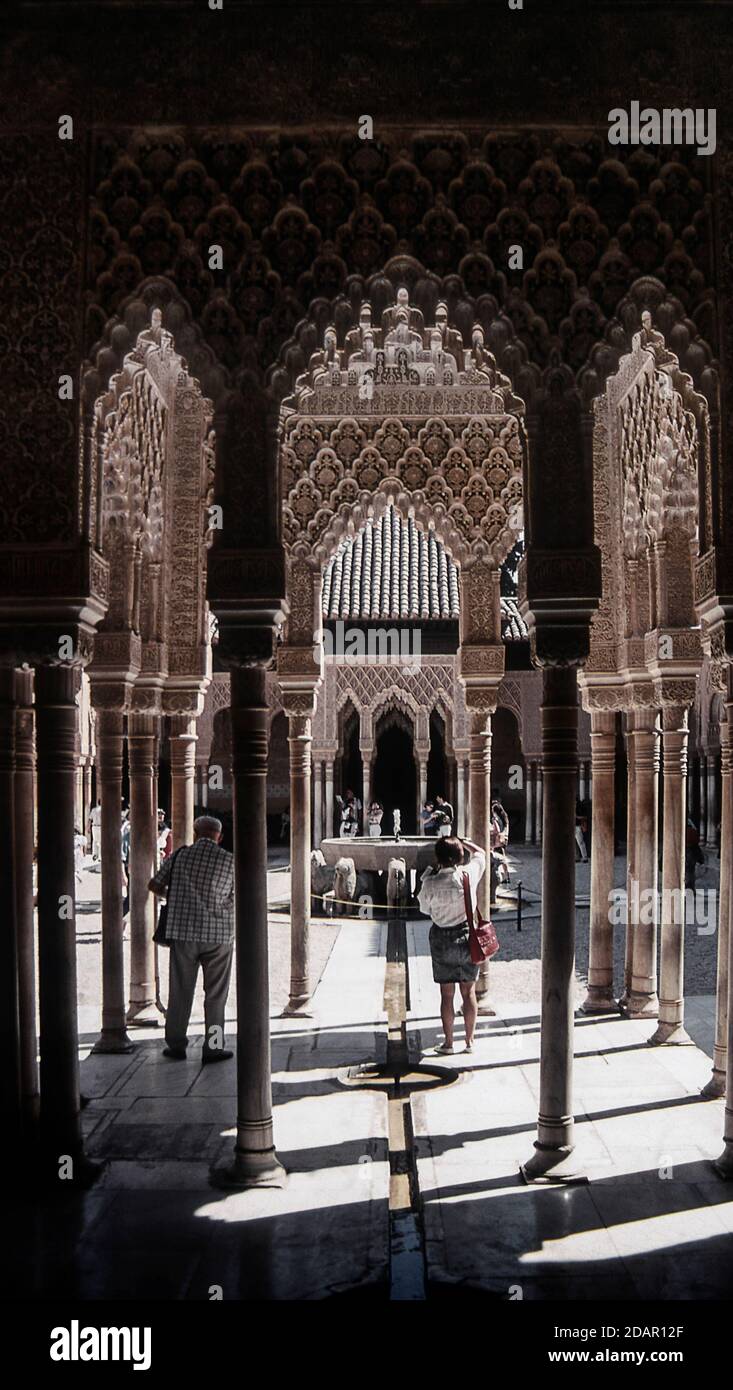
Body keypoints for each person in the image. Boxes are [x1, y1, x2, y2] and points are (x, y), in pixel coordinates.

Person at [148, 815, 235, 1064]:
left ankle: (176, 1045)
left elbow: (154, 885)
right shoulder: (229, 861)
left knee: (180, 992)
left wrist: (174, 895)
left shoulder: (179, 856)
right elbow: (237, 896)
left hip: (183, 933)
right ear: (219, 837)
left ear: (196, 834)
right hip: (218, 936)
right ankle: (214, 1047)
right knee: (216, 996)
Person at [417, 835, 486, 1055]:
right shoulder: (468, 875)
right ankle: (470, 1041)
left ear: (438, 858)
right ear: (460, 856)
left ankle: (448, 1043)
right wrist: (466, 842)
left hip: (441, 938)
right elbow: (481, 854)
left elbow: (424, 910)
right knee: (469, 993)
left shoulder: (430, 882)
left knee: (446, 995)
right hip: (467, 937)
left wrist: (427, 876)